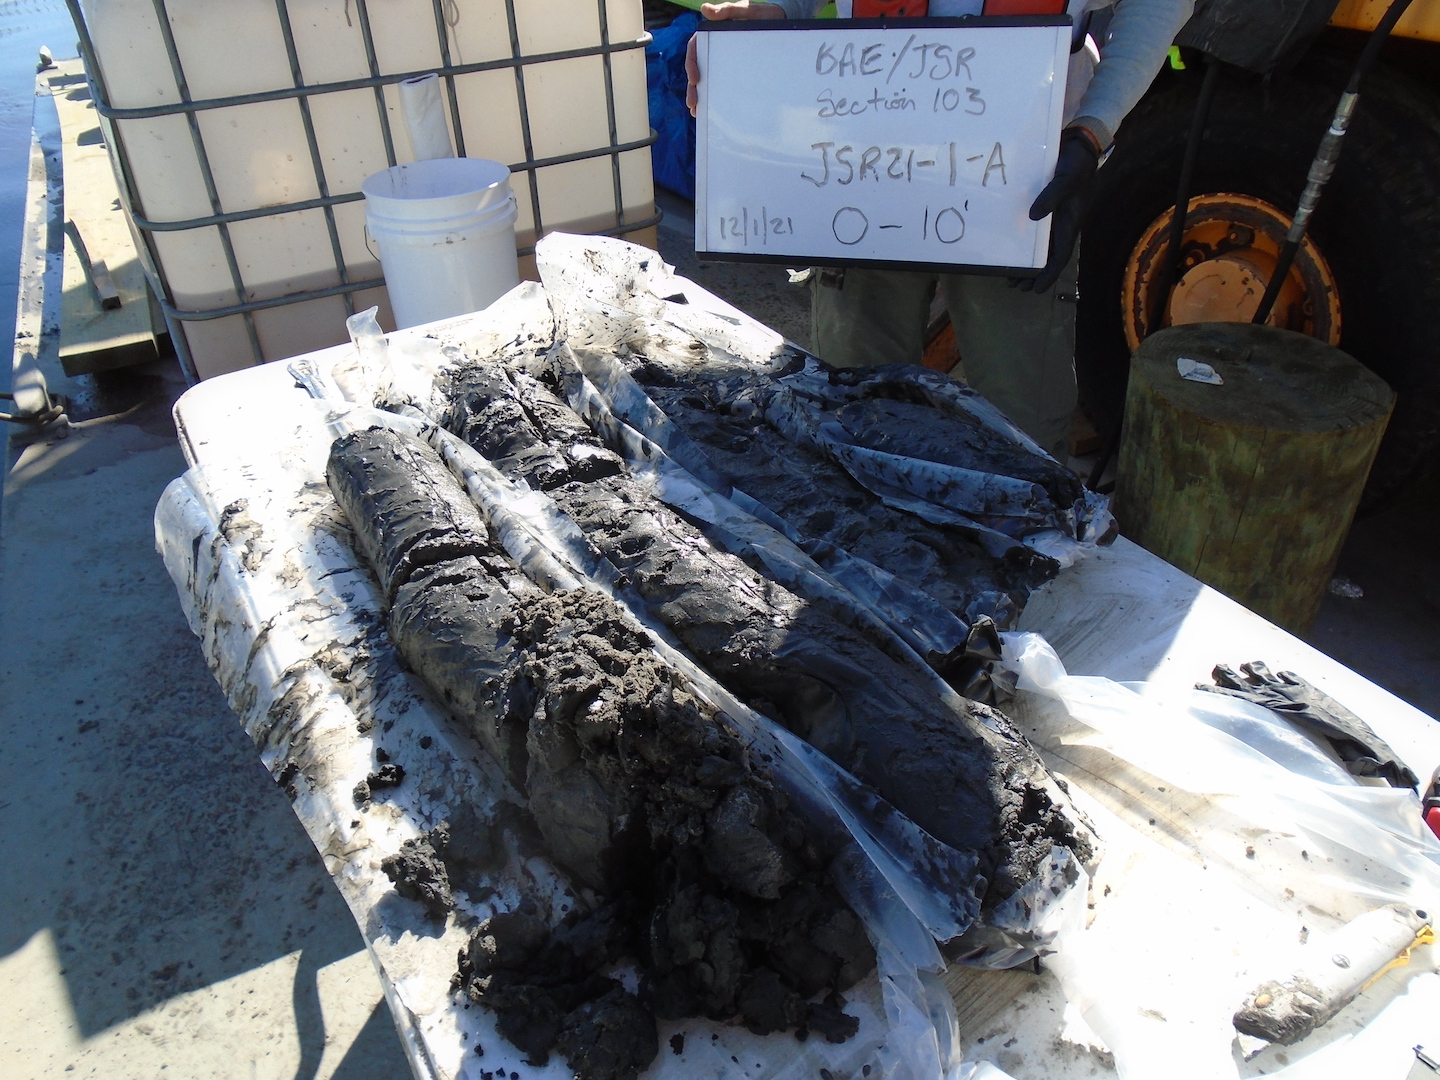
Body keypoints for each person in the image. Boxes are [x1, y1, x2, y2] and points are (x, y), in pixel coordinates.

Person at [687, 0, 1195, 458]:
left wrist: (1092, 129)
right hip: (858, 167)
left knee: (1024, 441)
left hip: (1022, 181)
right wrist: (777, 8)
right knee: (850, 419)